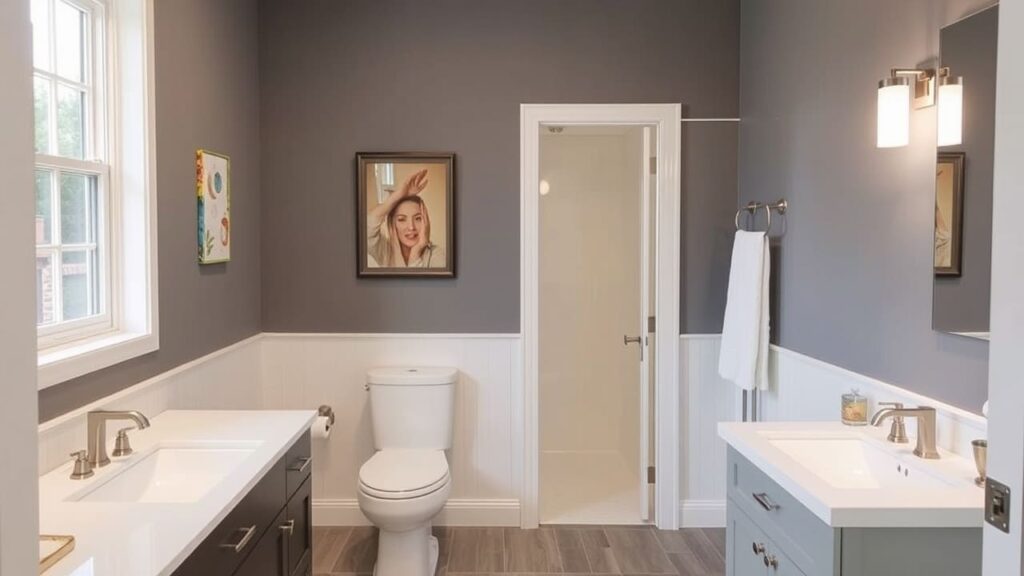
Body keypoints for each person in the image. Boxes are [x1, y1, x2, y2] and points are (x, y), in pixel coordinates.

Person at [367, 168, 444, 268]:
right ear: (392, 223)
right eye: (402, 219)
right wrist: (397, 196)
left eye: (417, 218)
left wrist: (415, 253)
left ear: (426, 221)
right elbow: (366, 229)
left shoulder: (437, 256)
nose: (411, 227)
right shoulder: (385, 251)